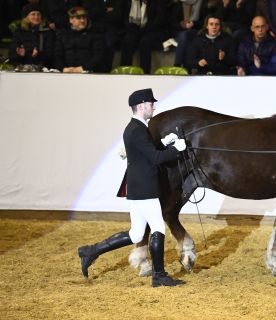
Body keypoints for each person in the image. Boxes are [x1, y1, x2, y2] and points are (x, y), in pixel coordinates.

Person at [78, 88, 187, 287]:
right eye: (151, 104)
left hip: (138, 188)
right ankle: (159, 275)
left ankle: (91, 250)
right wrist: (176, 150)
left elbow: (145, 152)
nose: (154, 107)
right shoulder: (137, 130)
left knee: (136, 234)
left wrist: (164, 142)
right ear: (141, 106)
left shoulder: (135, 128)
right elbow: (154, 158)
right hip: (146, 188)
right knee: (158, 229)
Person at [120, 0, 172, 74]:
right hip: (136, 28)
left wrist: (145, 29)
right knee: (128, 40)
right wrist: (131, 28)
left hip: (155, 30)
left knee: (145, 41)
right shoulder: (132, 1)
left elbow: (160, 18)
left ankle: (145, 73)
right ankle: (124, 72)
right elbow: (125, 17)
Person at [54, 6, 104, 73]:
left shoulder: (95, 35)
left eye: (84, 18)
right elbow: (57, 56)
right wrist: (63, 68)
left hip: (88, 72)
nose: (82, 20)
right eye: (78, 18)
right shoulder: (62, 35)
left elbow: (98, 56)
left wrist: (83, 68)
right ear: (71, 20)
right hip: (66, 72)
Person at [8, 4, 55, 69]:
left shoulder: (47, 32)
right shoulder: (19, 32)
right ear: (26, 17)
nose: (36, 17)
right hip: (22, 69)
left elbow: (51, 55)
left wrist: (37, 55)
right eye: (33, 14)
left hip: (42, 69)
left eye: (38, 14)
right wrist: (20, 55)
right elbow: (12, 55)